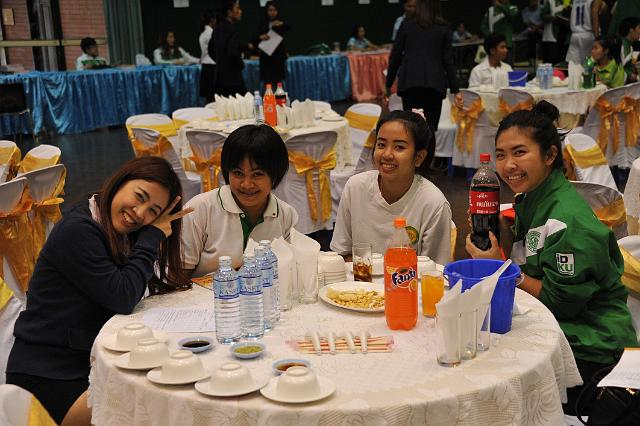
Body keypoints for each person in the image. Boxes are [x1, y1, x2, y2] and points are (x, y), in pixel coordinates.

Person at [465, 101, 637, 415]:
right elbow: (527, 255)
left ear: (549, 155)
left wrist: (501, 269)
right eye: (501, 155)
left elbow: (561, 303)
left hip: (591, 352)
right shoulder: (532, 197)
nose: (508, 165)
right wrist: (500, 232)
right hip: (557, 327)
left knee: (482, 373)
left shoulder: (568, 220)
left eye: (519, 152)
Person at [5, 157, 193, 424]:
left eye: (153, 211)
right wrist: (151, 237)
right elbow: (123, 296)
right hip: (48, 375)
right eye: (139, 197)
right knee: (155, 409)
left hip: (87, 362)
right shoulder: (78, 230)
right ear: (120, 182)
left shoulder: (112, 226)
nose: (140, 213)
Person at [331, 110, 452, 265]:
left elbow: (434, 270)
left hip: (410, 281)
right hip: (360, 280)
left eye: (399, 147)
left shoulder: (433, 204)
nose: (387, 154)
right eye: (381, 145)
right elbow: (341, 254)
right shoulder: (355, 187)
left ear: (419, 157)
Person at [181, 124, 297, 276]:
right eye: (238, 173)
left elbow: (290, 270)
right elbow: (178, 275)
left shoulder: (286, 215)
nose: (247, 185)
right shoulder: (199, 210)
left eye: (257, 174)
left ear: (275, 176)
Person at [384, 0, 463, 135]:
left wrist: (388, 85)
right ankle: (430, 149)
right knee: (430, 129)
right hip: (434, 84)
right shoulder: (443, 28)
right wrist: (456, 90)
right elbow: (448, 62)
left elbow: (395, 57)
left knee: (411, 130)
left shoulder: (406, 25)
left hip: (410, 83)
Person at [211, 0, 250, 97]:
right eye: (237, 8)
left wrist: (220, 61)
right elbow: (232, 52)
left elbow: (211, 50)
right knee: (244, 102)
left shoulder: (217, 28)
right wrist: (241, 64)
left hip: (219, 77)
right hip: (233, 78)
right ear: (229, 12)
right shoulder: (232, 29)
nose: (240, 11)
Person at [254, 1, 290, 89]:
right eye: (270, 10)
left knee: (279, 83)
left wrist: (281, 23)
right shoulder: (262, 22)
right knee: (268, 83)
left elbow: (288, 26)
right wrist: (261, 37)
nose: (273, 12)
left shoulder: (279, 22)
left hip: (278, 58)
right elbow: (254, 38)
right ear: (266, 11)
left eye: (274, 10)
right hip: (266, 58)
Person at [565, 0, 607, 64]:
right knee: (589, 64)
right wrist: (597, 37)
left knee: (572, 65)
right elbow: (594, 15)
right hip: (588, 36)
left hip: (575, 35)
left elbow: (570, 17)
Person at [540, 0, 570, 65]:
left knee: (561, 64)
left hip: (564, 39)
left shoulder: (568, 2)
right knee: (549, 64)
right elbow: (542, 15)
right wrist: (554, 18)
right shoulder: (550, 2)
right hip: (550, 38)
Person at [199, 10, 217, 102]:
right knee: (214, 97)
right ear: (212, 20)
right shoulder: (212, 33)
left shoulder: (202, 34)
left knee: (209, 98)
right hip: (212, 67)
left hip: (206, 67)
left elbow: (203, 53)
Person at [521, 0, 543, 64]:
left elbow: (545, 21)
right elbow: (527, 23)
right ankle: (531, 58)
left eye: (536, 1)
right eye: (532, 1)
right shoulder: (525, 11)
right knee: (531, 34)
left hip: (542, 29)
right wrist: (536, 28)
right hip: (531, 29)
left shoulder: (542, 8)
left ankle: (540, 57)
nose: (534, 2)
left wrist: (538, 28)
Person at [618, 17, 640, 83]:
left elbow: (632, 65)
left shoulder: (631, 45)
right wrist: (635, 77)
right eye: (639, 28)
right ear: (631, 30)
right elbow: (621, 69)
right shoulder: (622, 45)